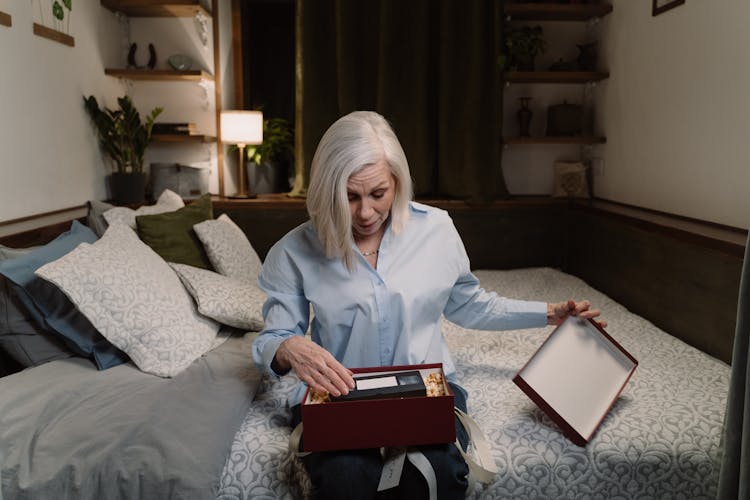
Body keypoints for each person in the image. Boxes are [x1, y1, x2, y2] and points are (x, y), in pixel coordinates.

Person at [252, 111, 605, 499]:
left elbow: (471, 306)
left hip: (428, 388)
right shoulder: (294, 250)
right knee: (345, 479)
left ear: (397, 182)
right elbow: (276, 337)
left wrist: (548, 313)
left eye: (378, 194)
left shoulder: (437, 230)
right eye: (350, 197)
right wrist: (288, 348)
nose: (366, 212)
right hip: (340, 393)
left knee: (437, 474)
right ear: (326, 189)